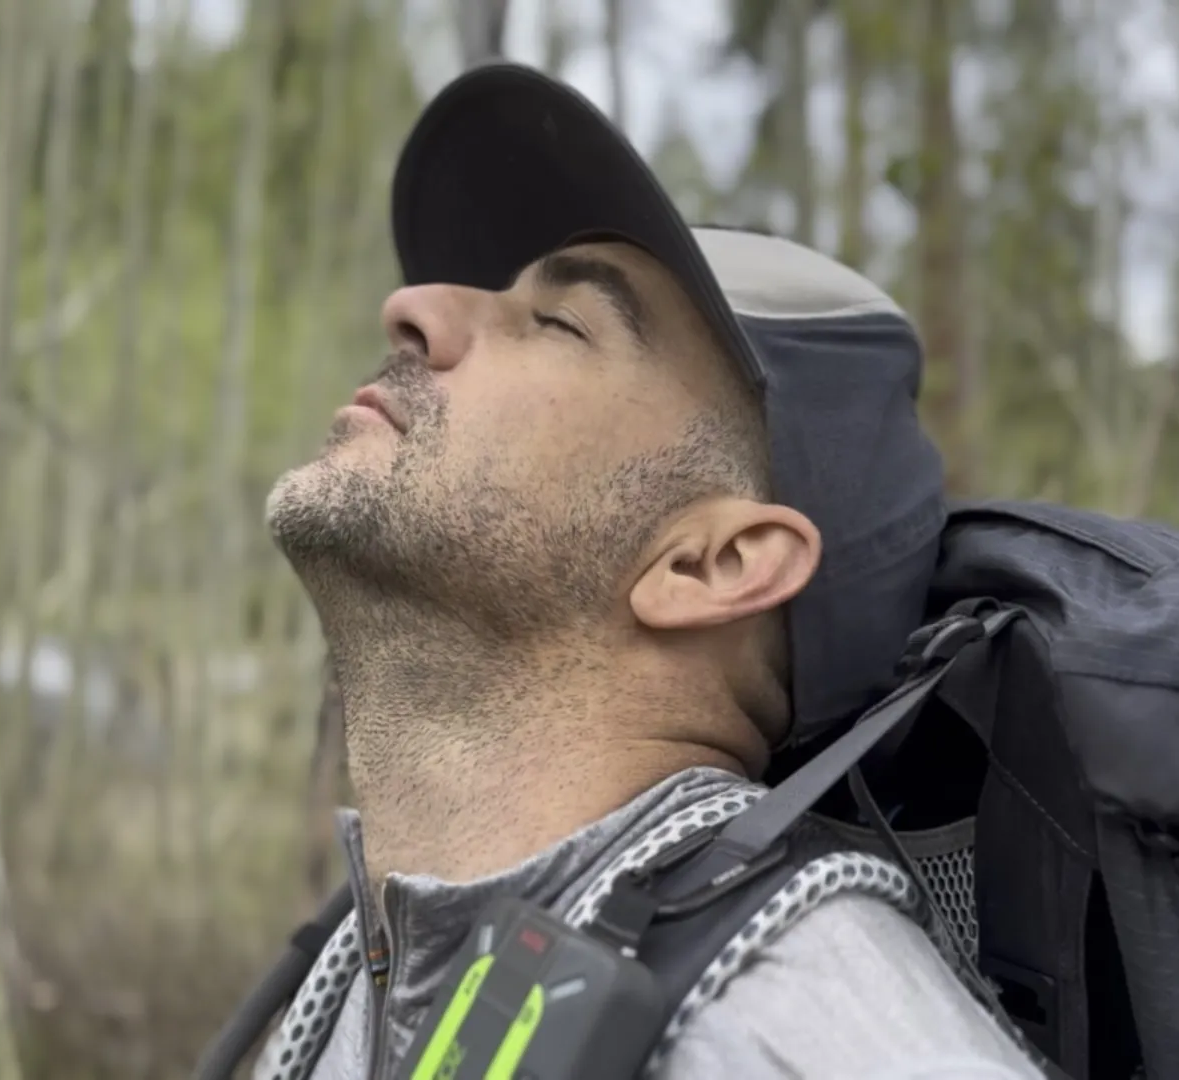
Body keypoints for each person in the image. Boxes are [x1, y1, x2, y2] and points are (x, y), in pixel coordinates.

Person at [254, 62, 1046, 1080]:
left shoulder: (803, 1026)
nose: (412, 310)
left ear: (712, 563)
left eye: (560, 323)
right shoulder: (350, 986)